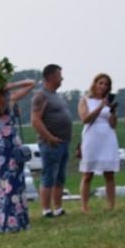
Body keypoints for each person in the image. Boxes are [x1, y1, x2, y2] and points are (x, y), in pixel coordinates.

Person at [0, 60, 36, 233]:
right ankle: (13, 219)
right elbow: (32, 83)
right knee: (13, 178)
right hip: (9, 140)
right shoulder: (8, 98)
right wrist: (11, 86)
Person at [30, 64, 73, 218]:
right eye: (59, 75)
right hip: (50, 144)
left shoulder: (56, 96)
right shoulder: (41, 96)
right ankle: (46, 209)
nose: (62, 78)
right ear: (50, 77)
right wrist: (49, 137)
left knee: (60, 177)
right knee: (49, 175)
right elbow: (35, 120)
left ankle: (58, 207)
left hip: (63, 142)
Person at [77, 73, 120, 212]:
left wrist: (113, 112)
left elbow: (113, 124)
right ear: (95, 84)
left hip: (107, 137)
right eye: (101, 83)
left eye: (106, 84)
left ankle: (111, 205)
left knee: (109, 173)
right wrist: (101, 106)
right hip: (92, 137)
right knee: (87, 173)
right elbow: (85, 119)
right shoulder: (85, 100)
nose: (103, 86)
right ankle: (85, 206)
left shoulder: (108, 102)